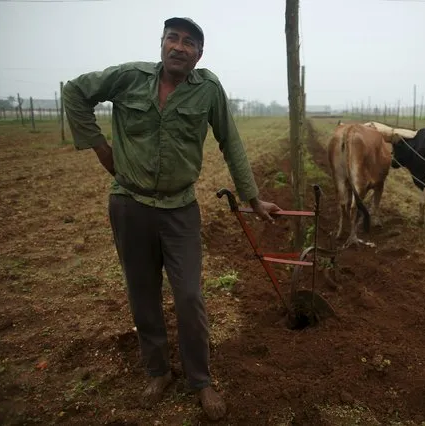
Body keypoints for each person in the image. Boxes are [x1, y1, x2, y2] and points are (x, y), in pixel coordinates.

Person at [62, 16, 281, 421]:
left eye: (189, 43)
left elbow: (229, 141)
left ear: (200, 54)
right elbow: (76, 91)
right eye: (173, 39)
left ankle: (200, 379)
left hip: (180, 209)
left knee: (189, 296)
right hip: (130, 203)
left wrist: (252, 198)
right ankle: (157, 371)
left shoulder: (208, 89)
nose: (180, 47)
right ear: (161, 44)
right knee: (142, 292)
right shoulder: (129, 78)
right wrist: (100, 148)